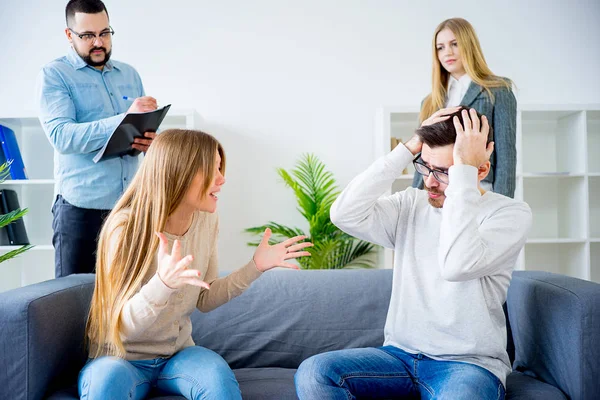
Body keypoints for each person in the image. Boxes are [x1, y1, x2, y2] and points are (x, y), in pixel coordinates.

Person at [295, 107, 532, 399]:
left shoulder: (508, 214)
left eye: (445, 172)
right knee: (315, 372)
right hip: (399, 357)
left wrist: (463, 176)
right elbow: (344, 214)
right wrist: (409, 148)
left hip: (467, 365)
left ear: (479, 170)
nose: (430, 182)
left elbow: (456, 265)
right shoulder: (410, 204)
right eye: (426, 166)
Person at [79, 129, 313, 399]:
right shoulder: (124, 228)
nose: (222, 179)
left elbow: (204, 296)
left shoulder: (206, 220)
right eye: (212, 169)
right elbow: (119, 328)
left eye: (220, 168)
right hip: (119, 357)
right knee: (104, 387)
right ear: (180, 172)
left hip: (177, 355)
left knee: (218, 382)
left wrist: (255, 267)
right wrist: (162, 285)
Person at [36, 0, 158, 278]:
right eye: (88, 36)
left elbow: (139, 127)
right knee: (72, 305)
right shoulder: (55, 75)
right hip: (80, 212)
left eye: (105, 33)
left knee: (124, 303)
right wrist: (123, 118)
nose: (98, 42)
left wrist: (149, 140)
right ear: (70, 35)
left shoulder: (129, 75)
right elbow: (62, 136)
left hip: (128, 209)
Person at [413, 17, 517, 198]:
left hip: (479, 188)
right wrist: (415, 196)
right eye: (440, 47)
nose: (447, 52)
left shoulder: (498, 90)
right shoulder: (430, 101)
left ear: (469, 45)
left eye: (454, 44)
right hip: (437, 190)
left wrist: (503, 204)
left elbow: (506, 155)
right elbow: (424, 155)